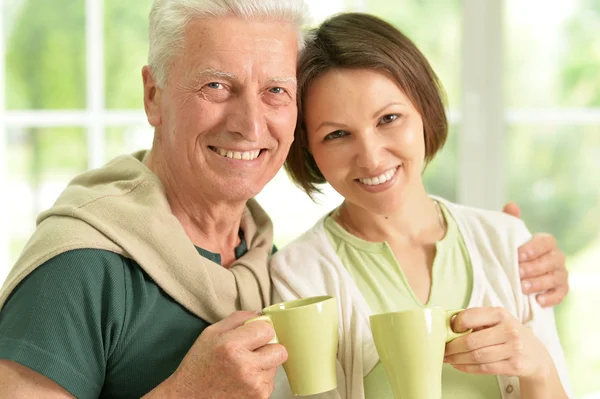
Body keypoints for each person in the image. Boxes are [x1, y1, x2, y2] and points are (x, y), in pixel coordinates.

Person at [0, 2, 568, 399]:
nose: (250, 124)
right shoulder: (81, 267)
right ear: (154, 95)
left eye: (275, 90)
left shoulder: (256, 257)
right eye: (216, 85)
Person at [271, 12, 572, 399]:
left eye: (389, 118)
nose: (372, 157)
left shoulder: (507, 242)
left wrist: (537, 367)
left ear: (425, 112)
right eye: (338, 134)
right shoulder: (298, 277)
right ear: (308, 148)